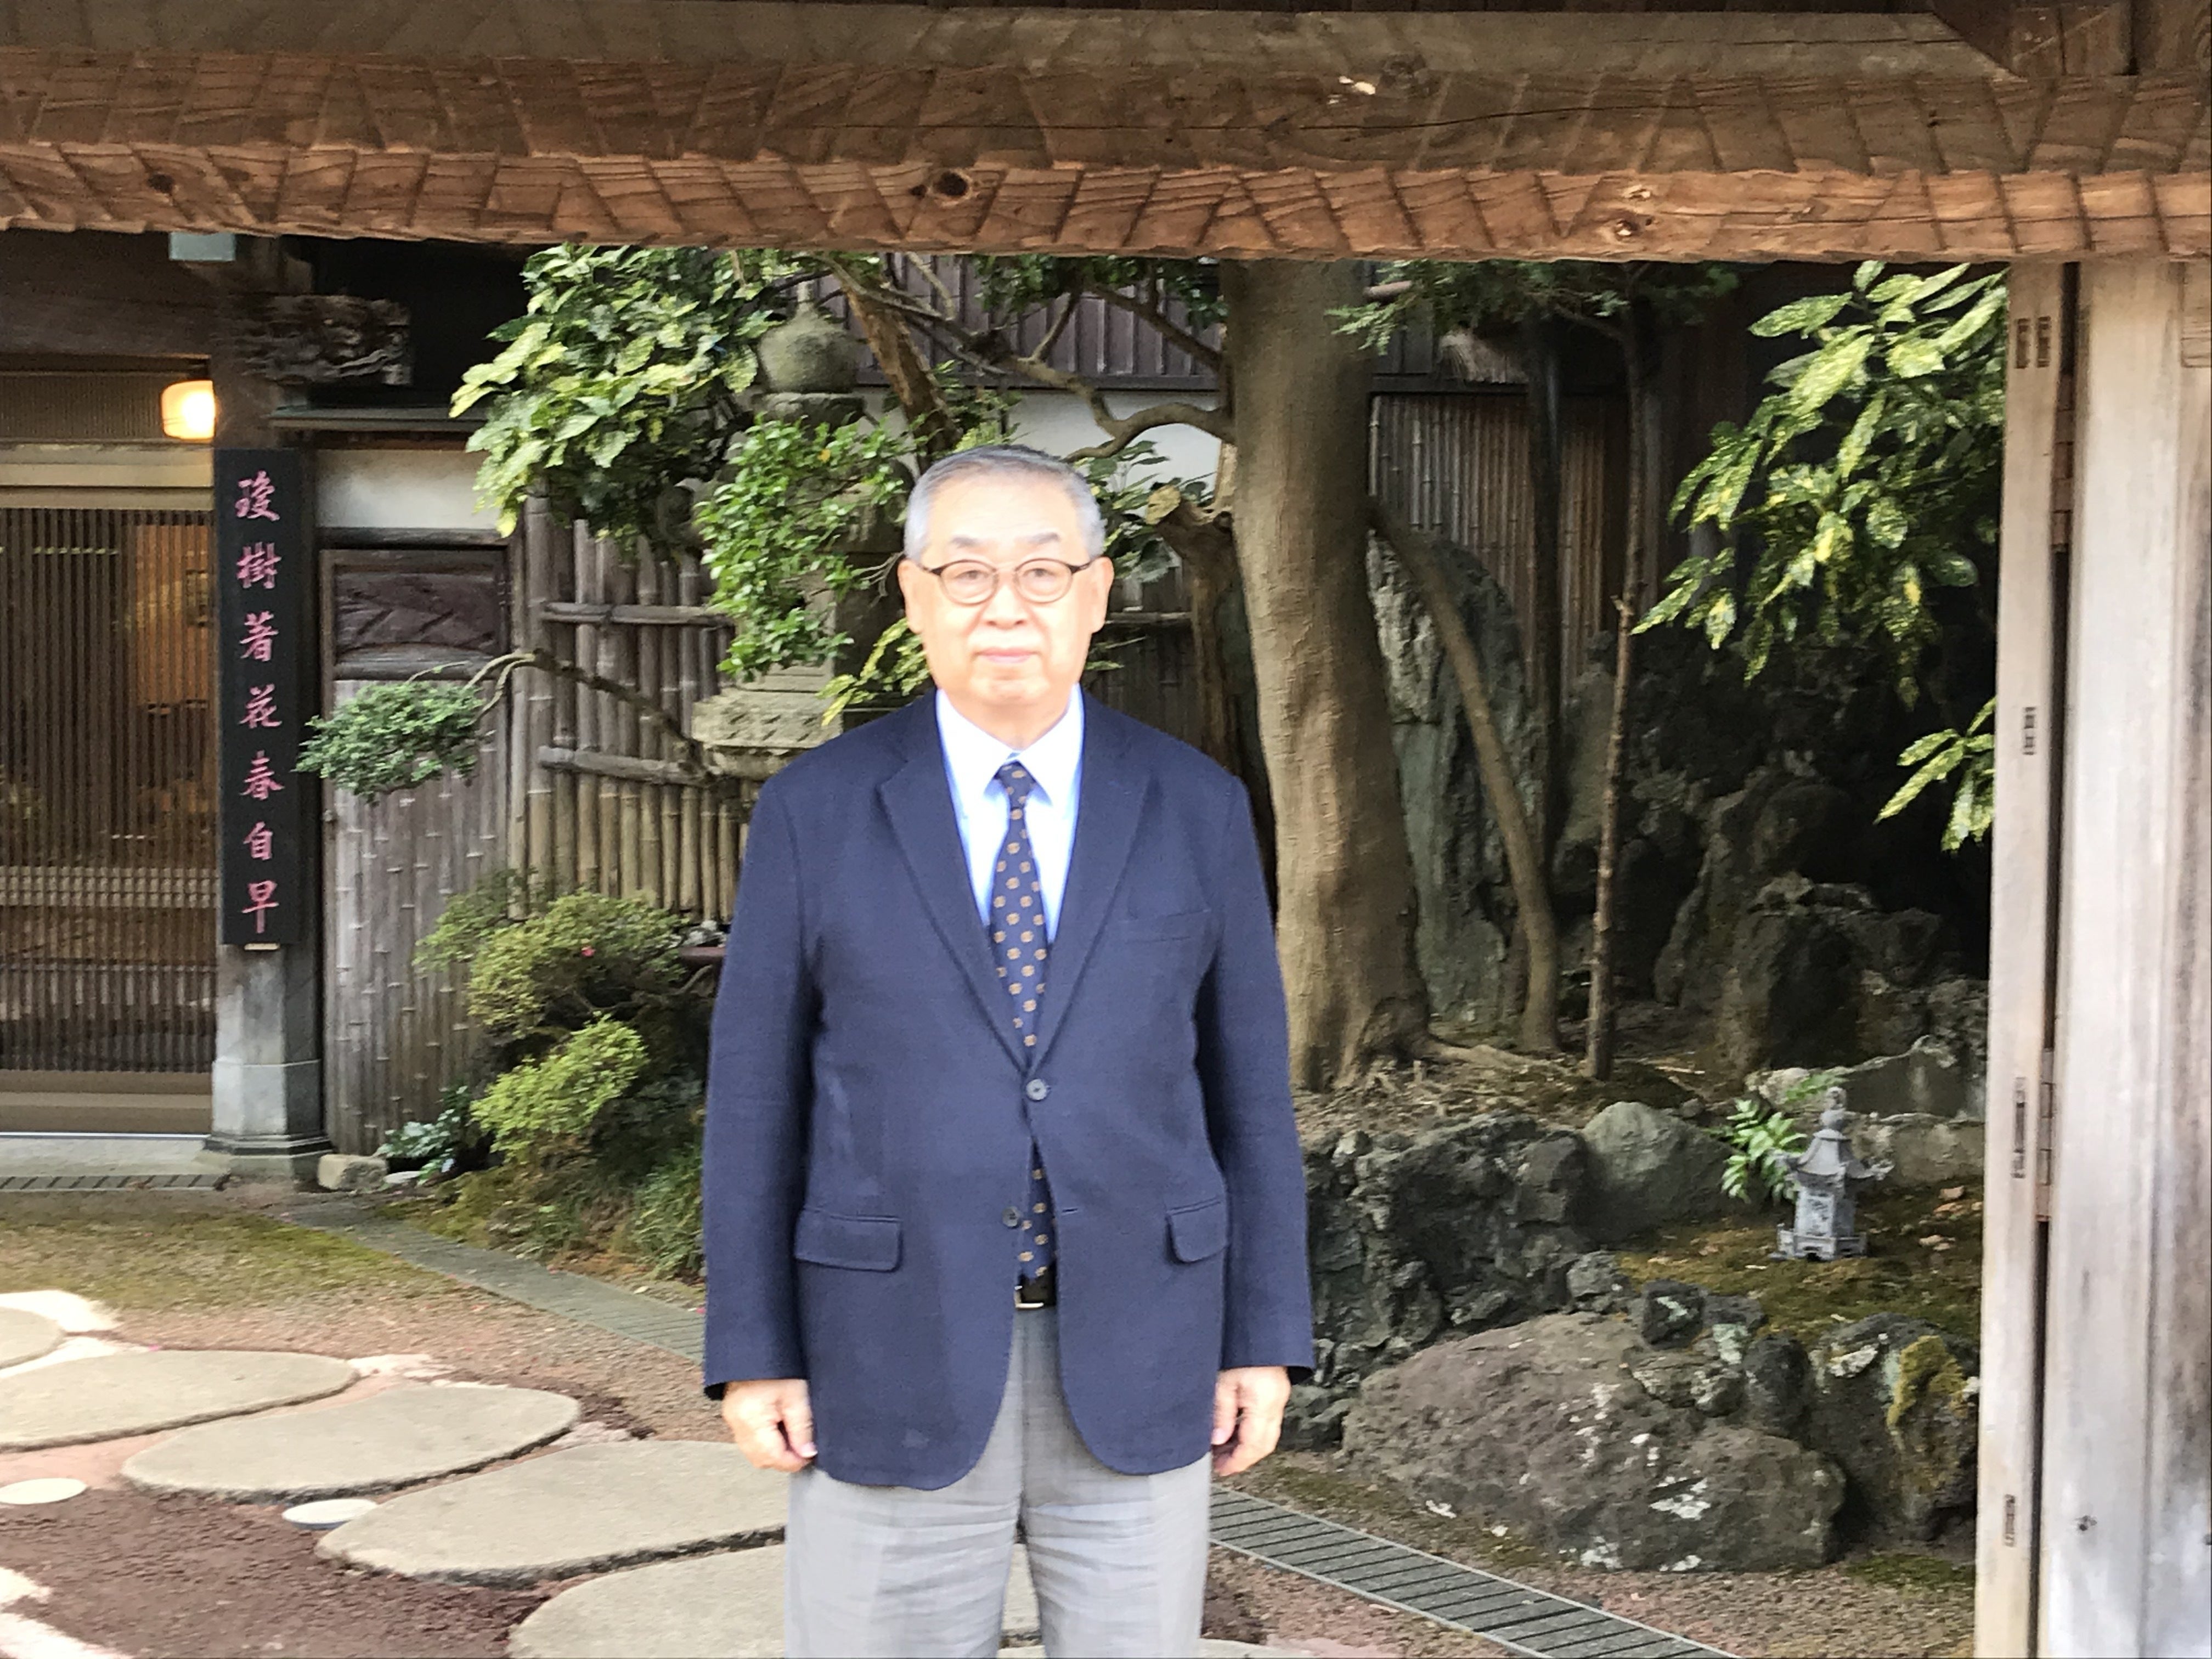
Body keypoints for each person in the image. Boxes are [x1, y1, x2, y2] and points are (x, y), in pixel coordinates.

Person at [703, 443, 1312, 1657]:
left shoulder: (1196, 806)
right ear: (914, 594)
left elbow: (1249, 1093)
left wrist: (1263, 1336)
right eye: (967, 574)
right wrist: (753, 1352)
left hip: (1144, 1339)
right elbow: (756, 1099)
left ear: (1097, 593)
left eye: (1042, 573)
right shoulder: (817, 810)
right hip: (885, 1345)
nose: (1005, 608)